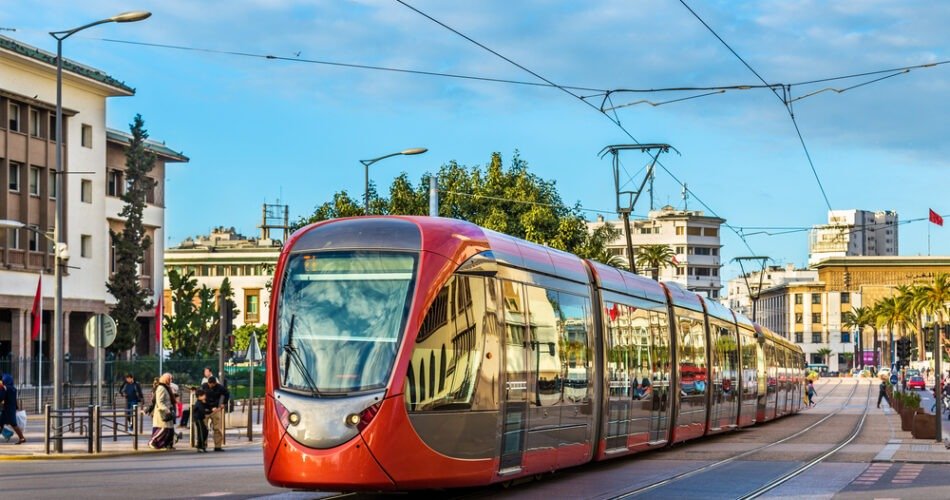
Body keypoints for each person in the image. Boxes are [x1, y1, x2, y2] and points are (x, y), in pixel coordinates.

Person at [148, 373, 177, 450]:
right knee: (163, 428)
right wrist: (166, 409)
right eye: (169, 379)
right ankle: (153, 442)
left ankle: (167, 444)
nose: (171, 380)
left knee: (170, 429)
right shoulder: (161, 388)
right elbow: (159, 401)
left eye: (171, 379)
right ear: (165, 379)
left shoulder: (166, 387)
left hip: (167, 410)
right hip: (163, 412)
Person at [201, 376, 230, 452]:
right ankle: (203, 445)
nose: (211, 386)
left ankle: (217, 446)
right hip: (206, 409)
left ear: (215, 383)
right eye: (209, 384)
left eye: (212, 384)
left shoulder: (220, 387)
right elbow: (199, 395)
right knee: (204, 428)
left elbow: (227, 393)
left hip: (215, 409)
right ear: (208, 383)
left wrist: (224, 403)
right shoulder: (204, 386)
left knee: (217, 429)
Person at [0, 374, 26, 444]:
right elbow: (14, 399)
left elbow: (1, 397)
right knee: (2, 423)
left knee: (13, 424)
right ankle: (22, 438)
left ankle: (22, 438)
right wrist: (16, 407)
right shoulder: (13, 389)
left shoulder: (5, 388)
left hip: (7, 409)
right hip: (11, 408)